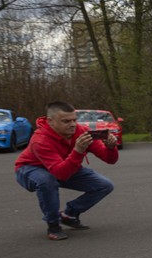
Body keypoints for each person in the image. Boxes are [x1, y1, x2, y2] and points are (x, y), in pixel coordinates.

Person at [14, 101, 119, 240]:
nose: (73, 124)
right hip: (30, 169)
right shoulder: (40, 140)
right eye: (66, 121)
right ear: (50, 121)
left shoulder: (80, 131)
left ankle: (69, 215)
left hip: (64, 166)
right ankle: (53, 225)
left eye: (74, 120)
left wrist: (111, 147)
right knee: (47, 181)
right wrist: (78, 151)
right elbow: (61, 174)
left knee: (104, 185)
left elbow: (110, 160)